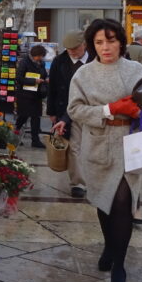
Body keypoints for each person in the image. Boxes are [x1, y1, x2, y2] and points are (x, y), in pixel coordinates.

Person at [67, 19, 142, 282]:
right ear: (92, 45)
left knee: (123, 200)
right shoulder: (83, 75)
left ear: (121, 42)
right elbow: (75, 110)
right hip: (97, 145)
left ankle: (120, 265)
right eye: (99, 42)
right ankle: (109, 246)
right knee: (104, 200)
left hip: (130, 143)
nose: (106, 47)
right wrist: (108, 109)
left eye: (111, 40)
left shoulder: (136, 70)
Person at [49, 30, 91, 199]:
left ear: (84, 45)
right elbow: (53, 87)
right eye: (68, 49)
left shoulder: (95, 59)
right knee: (74, 147)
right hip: (68, 110)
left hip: (94, 109)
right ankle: (78, 183)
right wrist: (51, 112)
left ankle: (94, 180)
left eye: (75, 48)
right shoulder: (59, 61)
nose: (72, 52)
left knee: (94, 147)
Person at [14, 44, 48, 148]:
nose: (40, 58)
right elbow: (19, 78)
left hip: (36, 94)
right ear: (34, 55)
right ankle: (14, 133)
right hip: (25, 94)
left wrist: (45, 79)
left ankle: (35, 140)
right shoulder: (24, 62)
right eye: (39, 56)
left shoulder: (41, 63)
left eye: (42, 56)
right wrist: (34, 81)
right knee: (23, 116)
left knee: (36, 117)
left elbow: (43, 74)